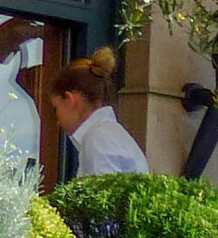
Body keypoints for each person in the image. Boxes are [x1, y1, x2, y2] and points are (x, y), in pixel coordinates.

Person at [50, 48, 148, 176]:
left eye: (56, 107)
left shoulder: (98, 138)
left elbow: (103, 194)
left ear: (70, 99)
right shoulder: (106, 134)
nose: (57, 120)